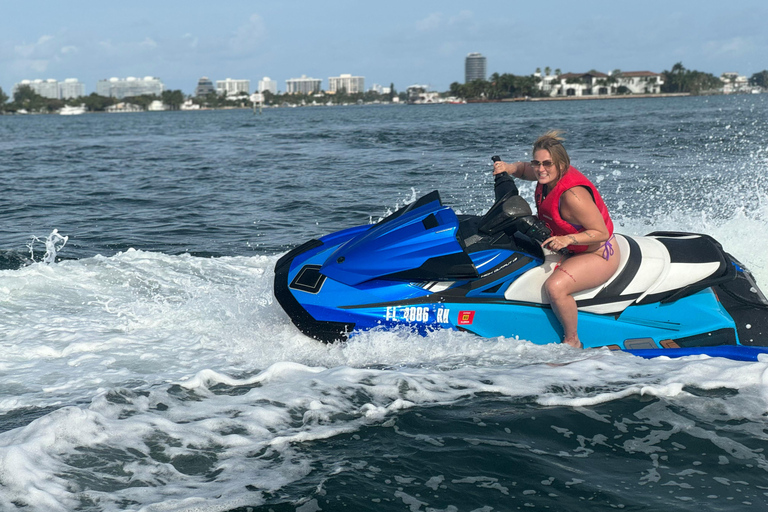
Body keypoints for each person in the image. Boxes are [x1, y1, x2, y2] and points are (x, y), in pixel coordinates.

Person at [493, 130, 619, 349]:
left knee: (555, 287)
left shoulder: (573, 196)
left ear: (561, 165)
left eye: (547, 164)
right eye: (537, 163)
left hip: (599, 252)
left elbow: (601, 233)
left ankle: (573, 340)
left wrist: (567, 239)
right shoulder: (546, 175)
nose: (540, 169)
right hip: (570, 246)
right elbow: (524, 169)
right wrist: (508, 168)